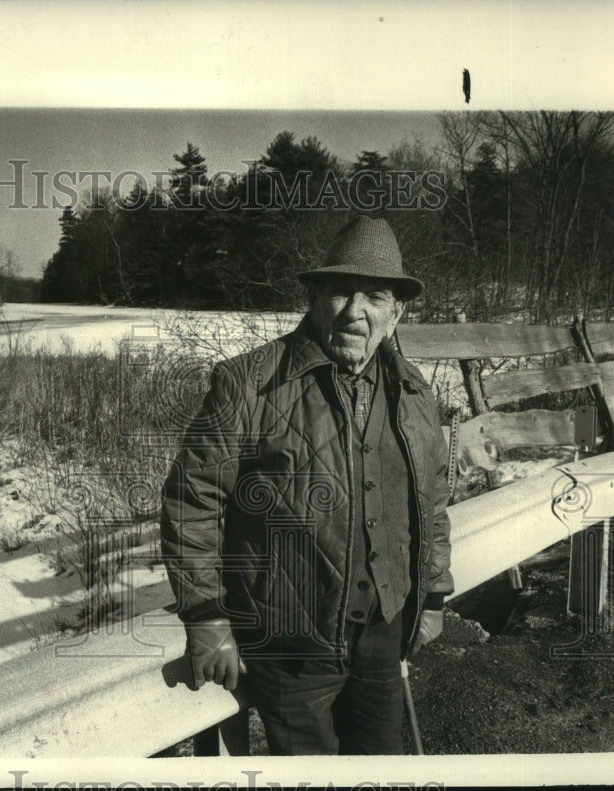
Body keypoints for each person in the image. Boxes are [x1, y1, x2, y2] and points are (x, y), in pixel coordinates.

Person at [160, 215, 453, 755]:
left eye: (375, 296)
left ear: (396, 312)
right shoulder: (247, 383)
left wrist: (432, 594)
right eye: (341, 291)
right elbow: (191, 502)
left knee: (380, 768)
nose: (355, 311)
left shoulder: (415, 392)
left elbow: (431, 501)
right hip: (288, 645)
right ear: (315, 297)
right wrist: (206, 618)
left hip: (383, 635)